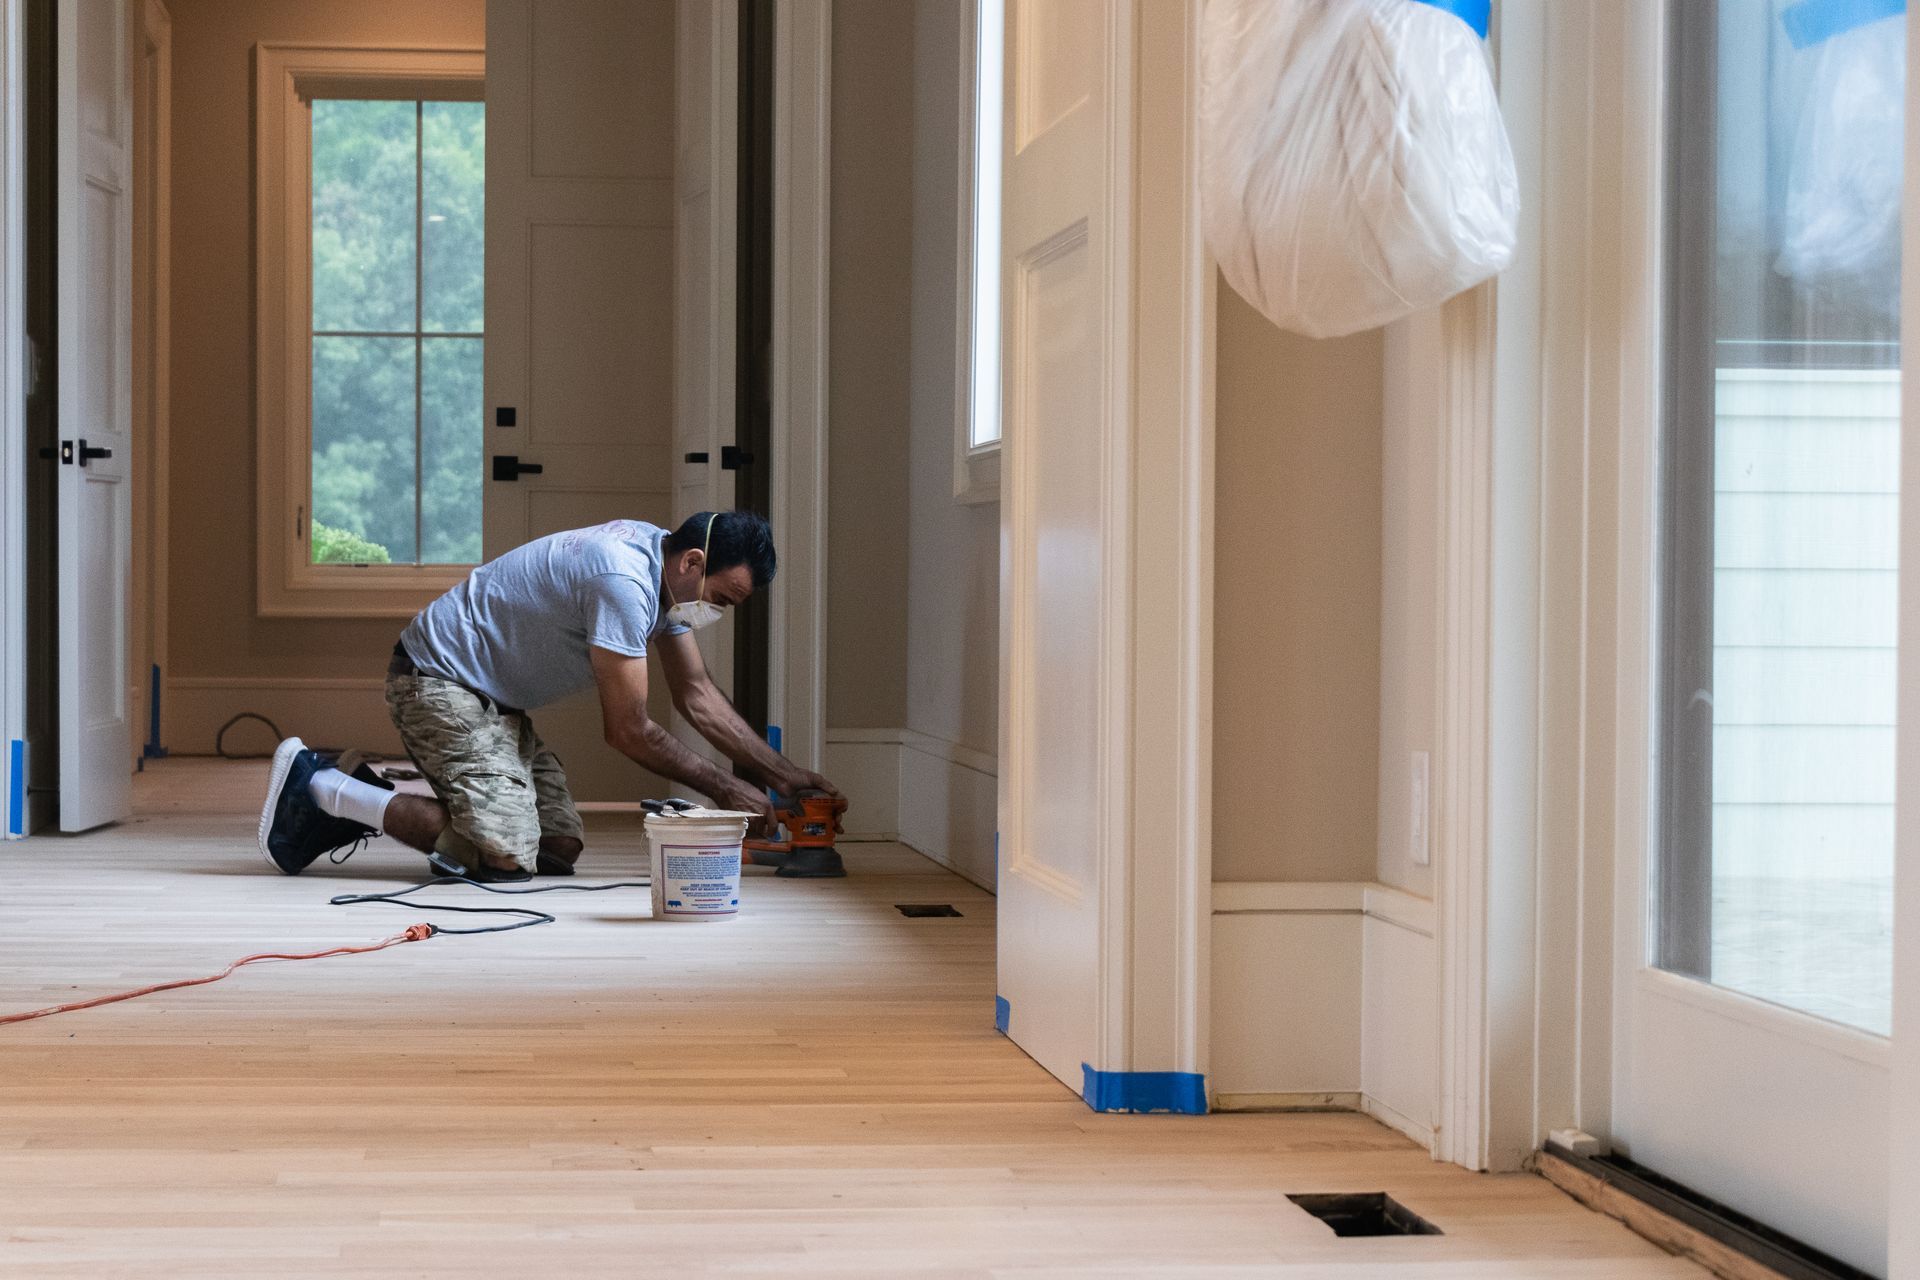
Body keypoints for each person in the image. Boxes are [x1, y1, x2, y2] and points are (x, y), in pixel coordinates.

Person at [255, 511, 838, 882]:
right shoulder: (624, 581)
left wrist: (783, 776)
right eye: (723, 598)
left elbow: (697, 694)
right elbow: (628, 730)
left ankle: (373, 785)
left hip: (493, 699)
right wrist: (728, 789)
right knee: (505, 857)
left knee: (558, 847)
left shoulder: (662, 576)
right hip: (436, 681)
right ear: (693, 562)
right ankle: (324, 787)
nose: (718, 612)